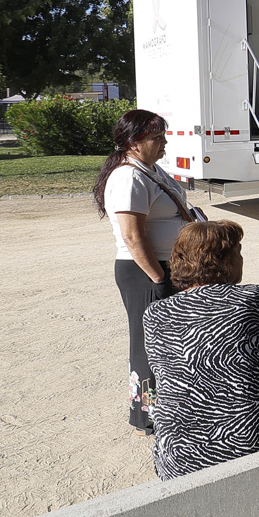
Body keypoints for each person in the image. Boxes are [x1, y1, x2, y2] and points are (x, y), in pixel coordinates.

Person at [143, 220, 259, 480]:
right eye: (238, 252)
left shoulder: (155, 313)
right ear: (224, 260)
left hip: (179, 456)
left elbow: (160, 374)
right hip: (251, 442)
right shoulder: (251, 298)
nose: (242, 259)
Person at [93, 109, 185, 435]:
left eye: (163, 135)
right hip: (143, 271)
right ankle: (145, 414)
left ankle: (169, 404)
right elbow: (133, 236)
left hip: (160, 268)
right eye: (156, 137)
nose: (164, 142)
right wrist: (158, 277)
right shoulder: (128, 178)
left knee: (168, 341)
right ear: (133, 142)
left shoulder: (149, 169)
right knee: (146, 344)